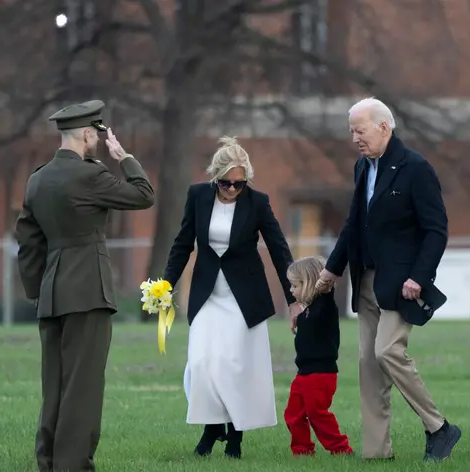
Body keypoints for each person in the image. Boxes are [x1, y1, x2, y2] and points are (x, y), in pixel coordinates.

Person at [314, 97, 461, 461]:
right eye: (351, 131)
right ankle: (377, 453)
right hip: (366, 281)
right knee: (368, 365)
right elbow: (353, 225)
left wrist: (419, 276)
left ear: (384, 127)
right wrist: (333, 269)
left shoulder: (416, 168)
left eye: (359, 130)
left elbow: (436, 230)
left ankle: (439, 427)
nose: (354, 139)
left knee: (387, 351)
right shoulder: (362, 167)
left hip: (402, 285)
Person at [15, 100, 155, 472]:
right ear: (88, 134)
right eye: (97, 134)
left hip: (51, 293)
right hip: (88, 292)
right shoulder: (90, 176)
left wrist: (37, 291)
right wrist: (124, 157)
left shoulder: (37, 179)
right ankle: (73, 464)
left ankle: (48, 461)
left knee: (55, 385)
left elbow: (28, 245)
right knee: (84, 386)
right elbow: (144, 195)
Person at [163, 136, 303, 459]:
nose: (231, 189)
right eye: (225, 182)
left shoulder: (258, 202)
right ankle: (213, 426)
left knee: (234, 367)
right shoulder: (198, 196)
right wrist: (166, 285)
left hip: (244, 297)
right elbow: (183, 244)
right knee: (200, 363)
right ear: (215, 176)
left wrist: (294, 298)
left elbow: (280, 250)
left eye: (238, 184)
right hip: (207, 294)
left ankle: (235, 436)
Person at [283, 256, 354, 456]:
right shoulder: (307, 311)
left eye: (294, 285)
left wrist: (324, 283)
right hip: (303, 374)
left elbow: (326, 293)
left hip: (320, 375)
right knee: (293, 414)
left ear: (308, 283)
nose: (291, 290)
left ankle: (340, 448)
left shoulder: (325, 307)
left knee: (317, 414)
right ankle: (302, 449)